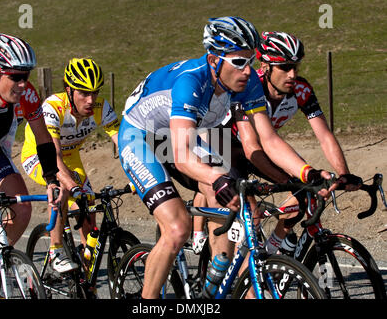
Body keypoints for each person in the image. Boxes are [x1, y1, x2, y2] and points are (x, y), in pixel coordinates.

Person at [118, 17, 335, 298]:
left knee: (230, 198)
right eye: (238, 62)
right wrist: (214, 177)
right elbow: (182, 155)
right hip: (142, 136)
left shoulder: (246, 83)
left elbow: (265, 141)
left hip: (188, 132)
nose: (247, 70)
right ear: (213, 59)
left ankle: (215, 282)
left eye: (250, 60)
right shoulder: (191, 81)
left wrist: (307, 175)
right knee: (177, 226)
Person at [192, 31, 362, 255]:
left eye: (295, 66)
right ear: (265, 66)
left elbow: (324, 136)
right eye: (284, 67)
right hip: (224, 145)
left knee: (304, 196)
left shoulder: (301, 90)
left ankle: (272, 251)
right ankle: (199, 234)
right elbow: (251, 147)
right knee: (250, 212)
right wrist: (286, 180)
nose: (292, 74)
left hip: (262, 147)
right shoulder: (249, 88)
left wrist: (343, 173)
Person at [21, 58, 120, 273]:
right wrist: (71, 185)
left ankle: (86, 274)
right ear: (69, 90)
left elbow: (123, 143)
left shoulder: (101, 107)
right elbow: (53, 155)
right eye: (83, 93)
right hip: (40, 155)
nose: (90, 100)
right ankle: (56, 249)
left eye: (94, 92)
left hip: (72, 156)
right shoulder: (52, 108)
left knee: (89, 207)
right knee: (62, 188)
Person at [0, 33, 61, 246]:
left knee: (22, 207)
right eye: (15, 77)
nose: (22, 84)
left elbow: (43, 138)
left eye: (25, 76)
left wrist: (52, 180)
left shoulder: (27, 95)